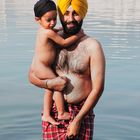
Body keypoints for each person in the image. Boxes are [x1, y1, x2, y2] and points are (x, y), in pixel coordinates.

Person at [29, 0, 106, 139]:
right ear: (60, 14)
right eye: (66, 14)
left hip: (80, 113)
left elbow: (98, 89)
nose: (70, 19)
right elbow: (32, 75)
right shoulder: (50, 40)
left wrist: (78, 120)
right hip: (53, 114)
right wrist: (49, 84)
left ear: (83, 14)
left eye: (76, 14)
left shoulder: (92, 46)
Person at [31, 0, 84, 125]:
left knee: (48, 90)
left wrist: (59, 29)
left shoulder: (43, 30)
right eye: (48, 20)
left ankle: (47, 115)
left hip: (41, 66)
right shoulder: (48, 32)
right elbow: (63, 42)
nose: (53, 23)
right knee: (58, 86)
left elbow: (54, 32)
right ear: (37, 19)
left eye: (55, 19)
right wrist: (78, 35)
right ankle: (61, 112)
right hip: (43, 67)